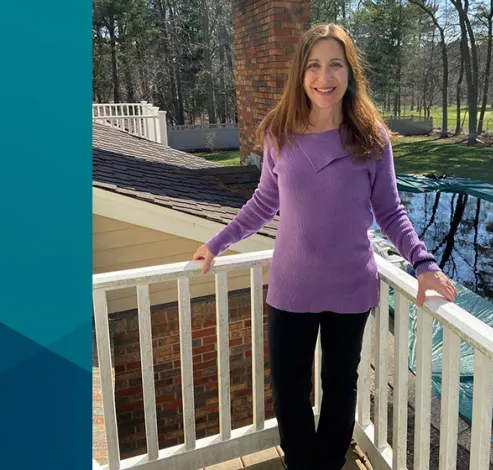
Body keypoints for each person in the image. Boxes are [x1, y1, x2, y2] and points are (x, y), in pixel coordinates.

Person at [192, 23, 457, 470]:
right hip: (291, 288)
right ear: (301, 73)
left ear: (350, 73)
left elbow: (391, 212)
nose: (324, 76)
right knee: (290, 391)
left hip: (350, 288)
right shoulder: (280, 131)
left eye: (335, 64)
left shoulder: (371, 138)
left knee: (340, 387)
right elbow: (263, 202)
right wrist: (217, 242)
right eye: (314, 65)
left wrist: (423, 262)